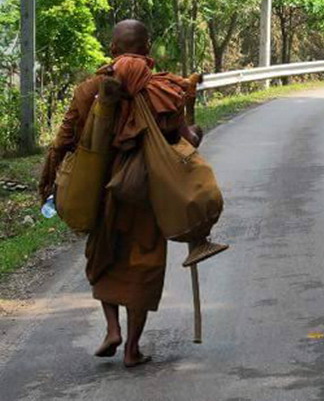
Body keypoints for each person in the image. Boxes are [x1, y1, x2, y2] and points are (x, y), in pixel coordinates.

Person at [39, 20, 228, 367]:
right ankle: (132, 349)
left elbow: (63, 141)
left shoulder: (89, 91)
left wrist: (50, 182)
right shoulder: (164, 91)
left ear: (112, 50)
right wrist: (196, 132)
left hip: (102, 194)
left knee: (103, 259)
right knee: (144, 267)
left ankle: (112, 329)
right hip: (147, 197)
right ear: (147, 50)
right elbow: (184, 140)